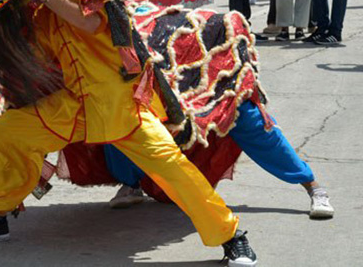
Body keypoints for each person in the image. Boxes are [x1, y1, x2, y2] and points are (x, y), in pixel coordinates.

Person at [0, 0, 259, 267]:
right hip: (73, 106)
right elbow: (36, 56)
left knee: (172, 168)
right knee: (8, 132)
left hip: (121, 104)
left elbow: (93, 23)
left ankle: (231, 236)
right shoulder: (32, 1)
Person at [103, 94, 334, 220]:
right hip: (154, 64)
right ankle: (131, 183)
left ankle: (312, 185)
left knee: (248, 118)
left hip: (207, 69)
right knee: (120, 116)